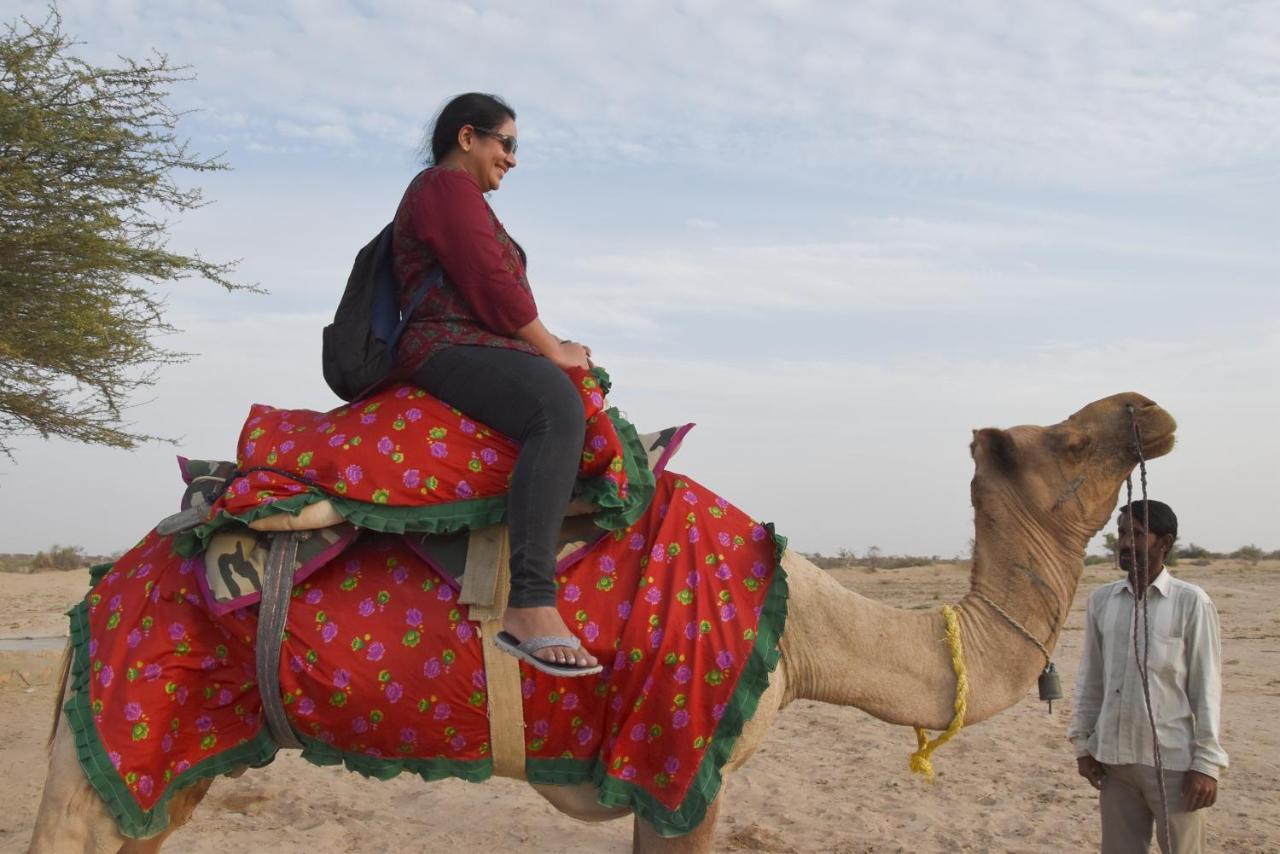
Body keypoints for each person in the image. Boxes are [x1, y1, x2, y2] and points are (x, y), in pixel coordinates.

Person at [391, 92, 599, 677]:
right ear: (467, 139)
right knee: (555, 409)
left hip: (471, 342)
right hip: (443, 344)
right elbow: (490, 280)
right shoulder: (443, 188)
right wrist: (552, 348)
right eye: (506, 143)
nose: (512, 158)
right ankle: (531, 603)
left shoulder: (462, 199)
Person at [1068, 500, 1228, 853]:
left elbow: (1207, 688)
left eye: (1138, 534)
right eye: (1122, 533)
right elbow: (1091, 678)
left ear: (1164, 542)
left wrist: (1206, 764)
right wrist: (1083, 743)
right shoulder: (1102, 601)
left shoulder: (1191, 603)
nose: (1125, 543)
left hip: (1173, 764)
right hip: (1115, 762)